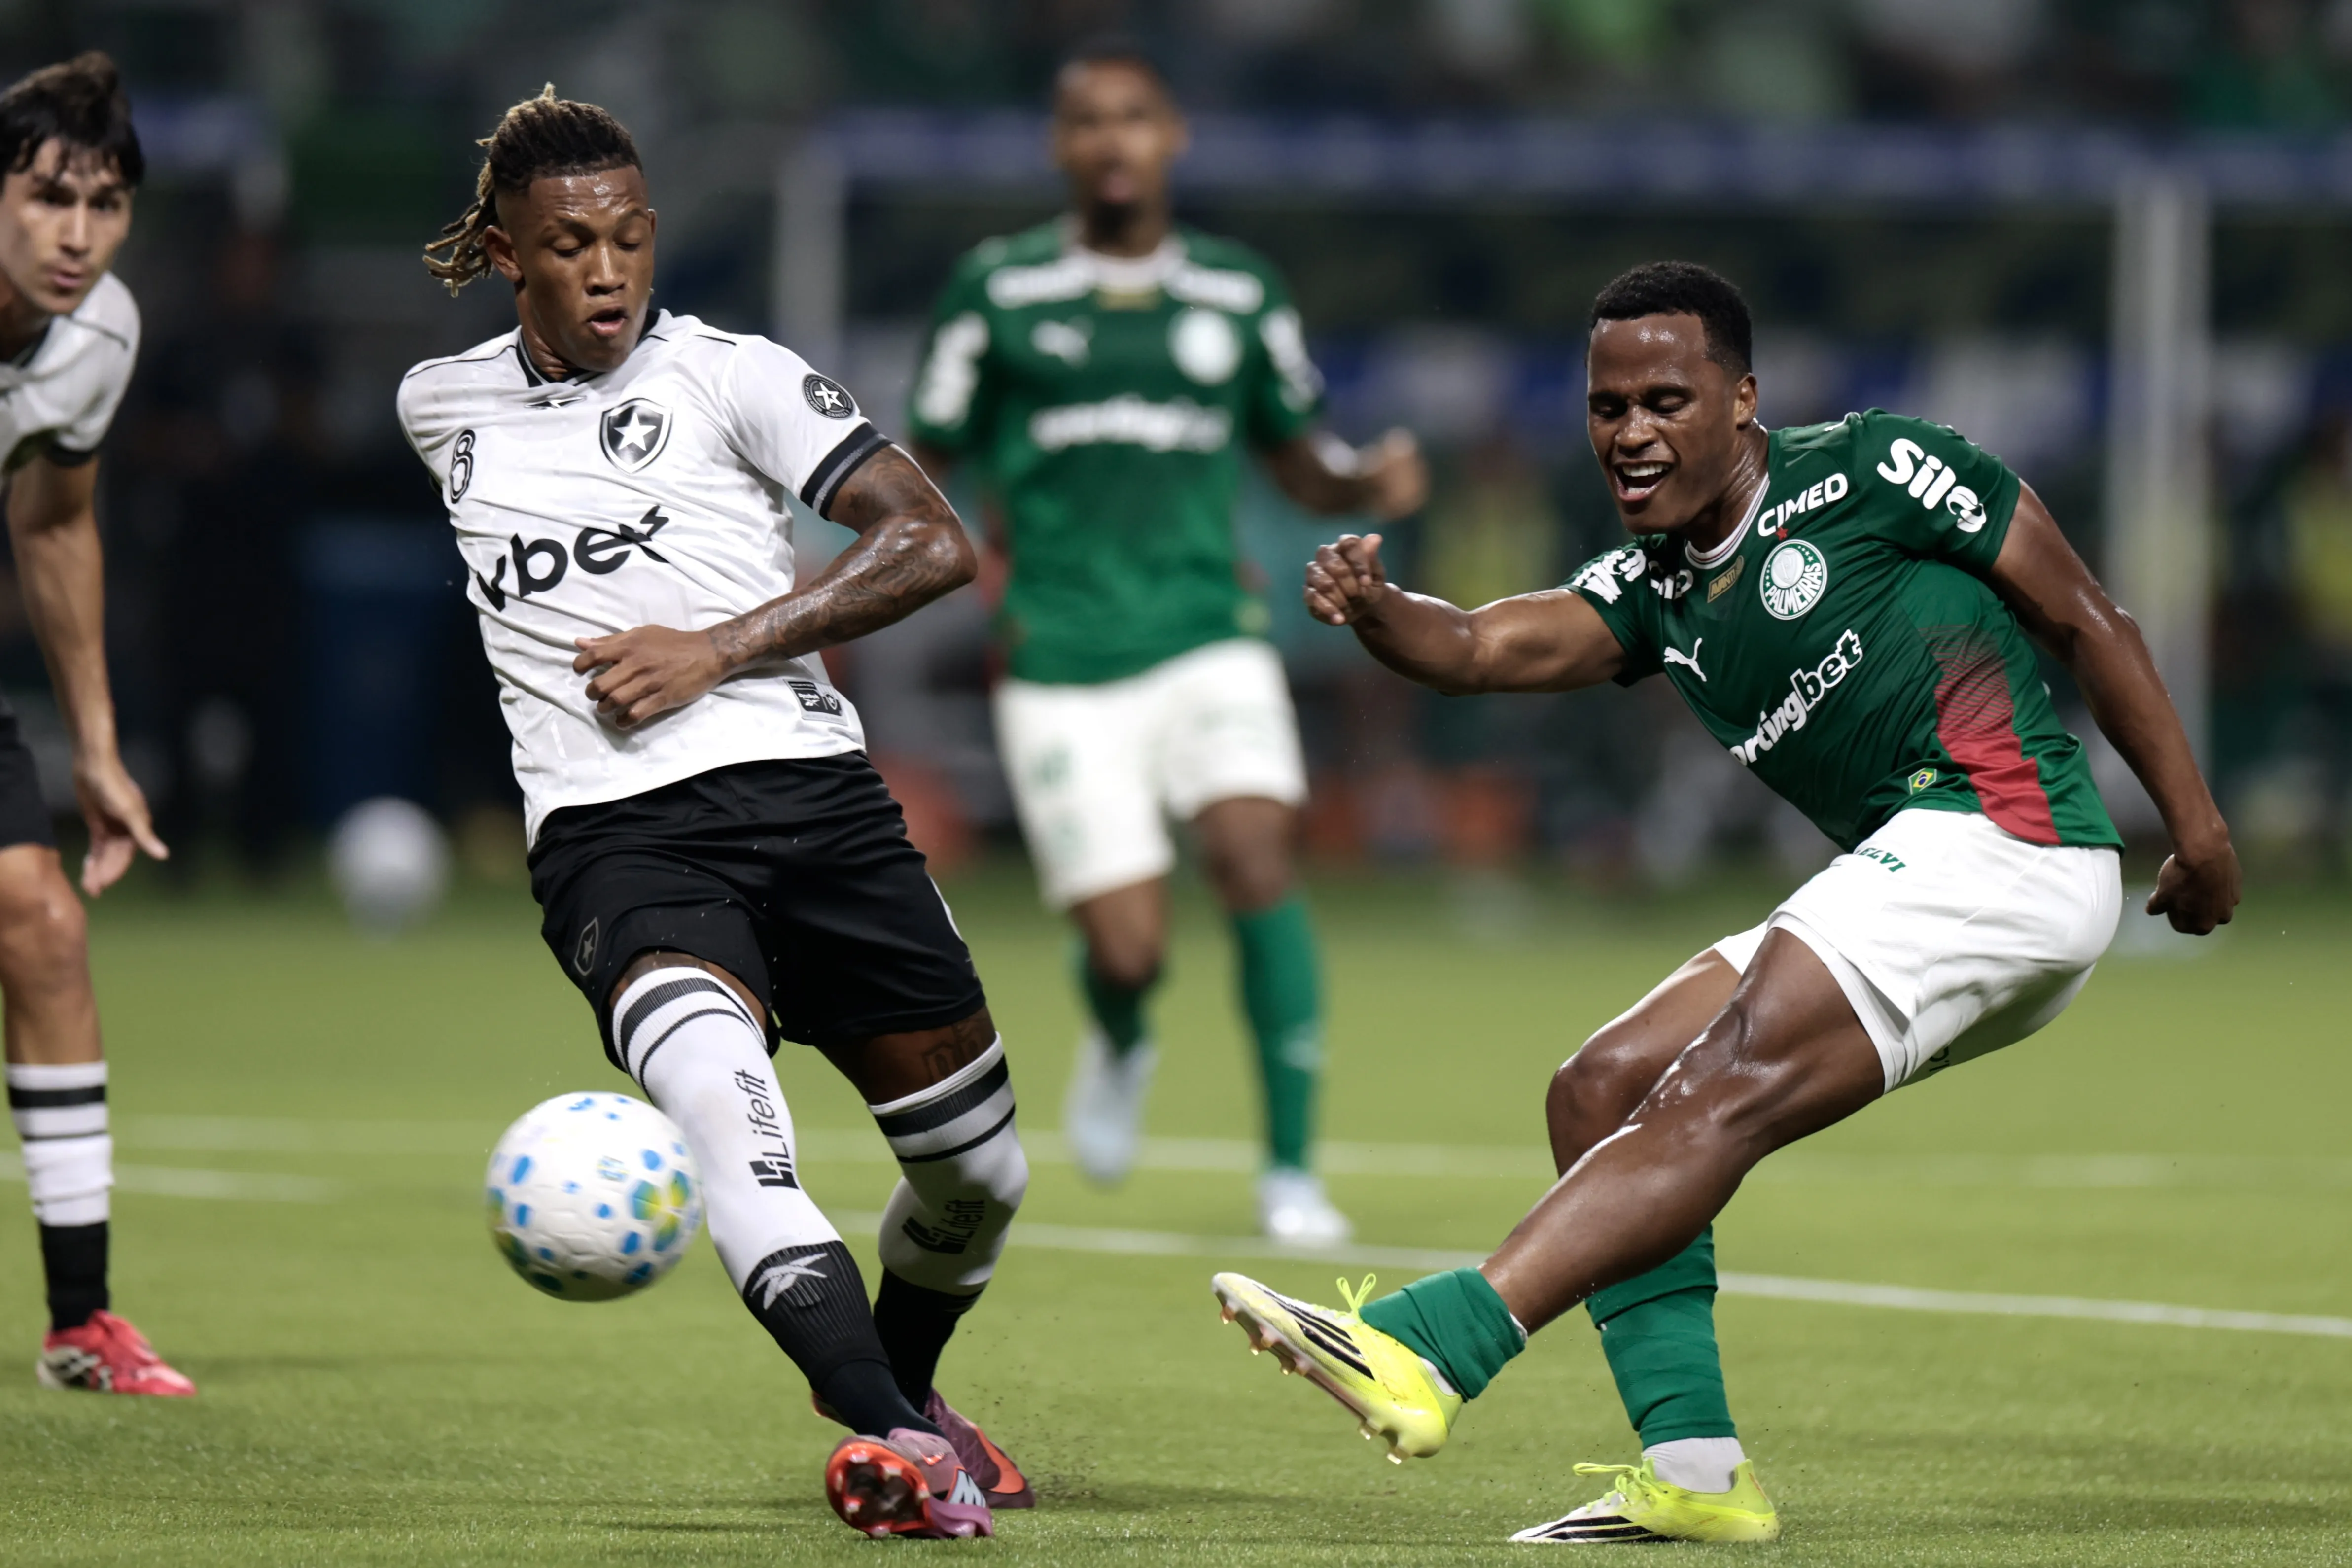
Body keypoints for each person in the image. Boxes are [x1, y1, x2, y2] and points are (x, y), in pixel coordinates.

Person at [1209, 261, 2240, 1544]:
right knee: (1602, 1085)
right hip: (1918, 874)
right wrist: (1377, 610)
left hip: (2008, 840)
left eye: (1665, 398)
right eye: (1605, 407)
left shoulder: (1876, 469)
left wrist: (2196, 831)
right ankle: (1695, 1472)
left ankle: (1433, 1345)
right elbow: (1479, 648)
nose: (1630, 432)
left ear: (1742, 399)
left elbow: (2087, 616)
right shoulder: (1653, 588)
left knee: (1719, 1080)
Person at [398, 88, 1031, 1540]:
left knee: (976, 1174)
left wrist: (717, 644)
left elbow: (932, 539)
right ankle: (894, 1447)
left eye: (627, 238)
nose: (607, 271)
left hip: (813, 801)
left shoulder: (734, 374)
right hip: (621, 844)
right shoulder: (440, 409)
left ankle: (903, 1386)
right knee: (732, 1137)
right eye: (569, 245)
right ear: (509, 254)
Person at [905, 42, 1427, 1242]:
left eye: (1134, 118)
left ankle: (1291, 1172)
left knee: (1256, 857)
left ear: (1173, 137)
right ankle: (1124, 1032)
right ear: (1060, 148)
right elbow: (925, 455)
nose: (1112, 141)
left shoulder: (1239, 294)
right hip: (1059, 655)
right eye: (1087, 121)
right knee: (1131, 947)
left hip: (1209, 632)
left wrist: (1364, 478)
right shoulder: (999, 290)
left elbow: (1300, 457)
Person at [0, 54, 185, 1399]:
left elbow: (56, 523)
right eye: (47, 196)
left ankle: (82, 1322)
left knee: (43, 922)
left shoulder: (99, 333)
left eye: (105, 203)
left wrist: (98, 747)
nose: (76, 235)